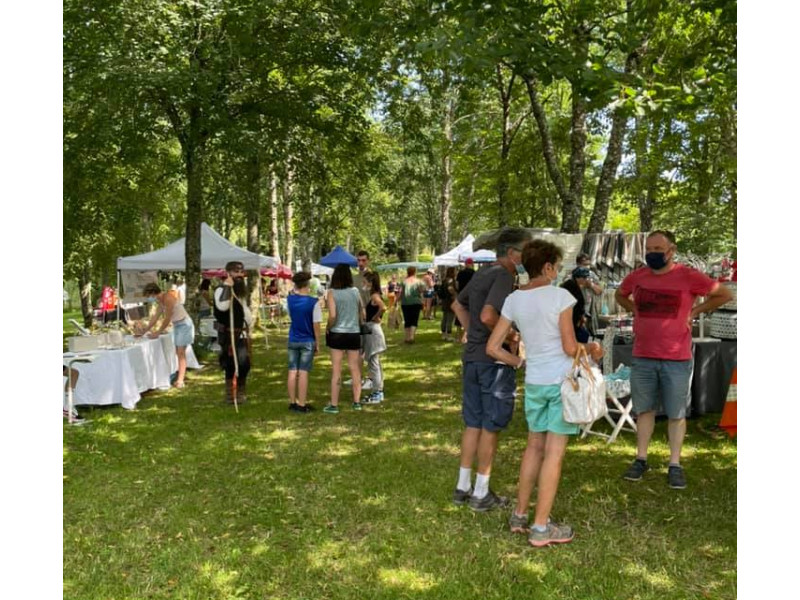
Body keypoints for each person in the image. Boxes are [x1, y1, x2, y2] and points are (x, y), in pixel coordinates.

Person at [487, 239, 604, 547]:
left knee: (533, 448)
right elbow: (569, 347)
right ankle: (540, 528)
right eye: (558, 266)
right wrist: (592, 348)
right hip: (561, 383)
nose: (558, 271)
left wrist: (520, 362)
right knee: (554, 453)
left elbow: (493, 347)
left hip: (535, 382)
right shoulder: (560, 296)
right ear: (549, 266)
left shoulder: (514, 298)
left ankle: (520, 515)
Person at [615, 230, 732, 489]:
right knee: (644, 410)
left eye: (658, 249)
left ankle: (675, 464)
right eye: (649, 249)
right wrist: (634, 309)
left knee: (676, 413)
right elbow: (619, 294)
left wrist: (695, 311)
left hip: (676, 357)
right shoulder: (638, 276)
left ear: (671, 251)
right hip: (643, 355)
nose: (652, 254)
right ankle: (641, 459)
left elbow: (724, 294)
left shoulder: (689, 276)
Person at [450, 226, 533, 512]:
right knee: (490, 426)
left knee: (473, 423)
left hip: (473, 358)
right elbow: (488, 315)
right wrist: (508, 336)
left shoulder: (482, 273)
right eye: (526, 252)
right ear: (512, 253)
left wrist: (474, 334)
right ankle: (481, 492)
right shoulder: (503, 275)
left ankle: (463, 487)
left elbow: (457, 305)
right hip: (493, 364)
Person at [324, 264, 365, 414]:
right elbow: (362, 312)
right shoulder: (355, 291)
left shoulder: (332, 293)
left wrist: (328, 327)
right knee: (355, 368)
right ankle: (357, 402)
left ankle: (334, 405)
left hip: (337, 333)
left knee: (336, 370)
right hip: (353, 333)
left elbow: (333, 315)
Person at [139, 282, 195, 389]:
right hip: (177, 325)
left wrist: (158, 332)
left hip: (184, 324)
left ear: (153, 293)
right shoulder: (161, 301)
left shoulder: (168, 298)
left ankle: (180, 381)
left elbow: (167, 318)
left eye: (148, 296)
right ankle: (179, 376)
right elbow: (155, 317)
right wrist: (145, 330)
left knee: (181, 353)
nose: (149, 298)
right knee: (178, 352)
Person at [214, 261, 253, 404]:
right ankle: (231, 395)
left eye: (241, 271)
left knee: (244, 364)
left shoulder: (239, 291)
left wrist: (248, 325)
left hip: (241, 333)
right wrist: (227, 286)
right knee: (230, 364)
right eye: (236, 272)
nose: (239, 274)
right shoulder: (221, 290)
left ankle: (240, 392)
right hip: (228, 334)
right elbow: (223, 306)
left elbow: (244, 310)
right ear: (228, 273)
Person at [287, 272, 322, 413]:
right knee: (303, 372)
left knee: (292, 370)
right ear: (307, 284)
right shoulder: (313, 302)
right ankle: (302, 404)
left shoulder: (290, 300)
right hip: (307, 340)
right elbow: (316, 325)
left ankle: (292, 402)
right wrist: (318, 342)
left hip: (293, 338)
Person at [361, 271, 387, 404]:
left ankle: (377, 392)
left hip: (373, 331)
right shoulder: (374, 295)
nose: (363, 284)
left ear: (371, 283)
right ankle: (379, 390)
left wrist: (375, 317)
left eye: (365, 282)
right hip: (372, 330)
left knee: (373, 363)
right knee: (375, 362)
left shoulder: (375, 296)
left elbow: (383, 307)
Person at [560, 267, 592, 343]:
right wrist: (580, 317)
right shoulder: (571, 286)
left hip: (573, 320)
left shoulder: (574, 285)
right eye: (584, 278)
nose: (586, 280)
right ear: (577, 277)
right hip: (571, 320)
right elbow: (577, 305)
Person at [398, 266, 426, 344]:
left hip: (405, 303)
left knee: (407, 320)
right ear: (415, 272)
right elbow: (422, 290)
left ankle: (407, 337)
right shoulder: (419, 281)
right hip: (416, 302)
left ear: (408, 272)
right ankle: (411, 337)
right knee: (414, 319)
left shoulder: (404, 282)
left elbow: (401, 293)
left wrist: (396, 301)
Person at [439, 267, 458, 341]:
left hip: (444, 301)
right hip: (450, 301)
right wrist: (455, 295)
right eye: (455, 271)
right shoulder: (450, 280)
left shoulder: (444, 280)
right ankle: (448, 335)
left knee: (445, 317)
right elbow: (450, 289)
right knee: (450, 318)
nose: (456, 272)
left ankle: (444, 334)